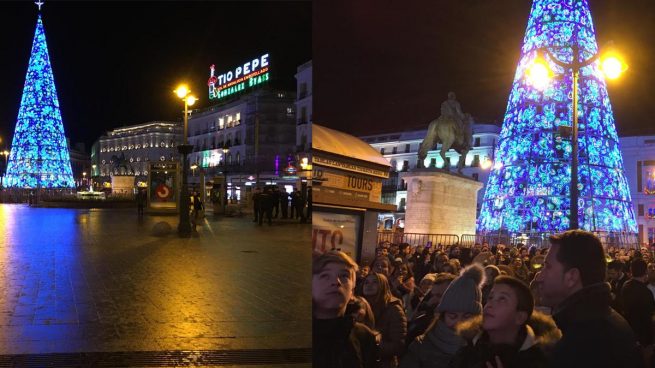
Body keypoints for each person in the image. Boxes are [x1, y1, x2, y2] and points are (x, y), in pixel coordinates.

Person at [535, 230, 643, 368]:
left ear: (571, 277)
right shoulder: (603, 321)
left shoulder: (582, 344)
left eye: (547, 267)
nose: (539, 277)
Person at [450, 276, 558, 368]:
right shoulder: (466, 349)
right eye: (490, 297)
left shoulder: (539, 360)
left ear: (519, 317)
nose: (490, 304)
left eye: (502, 299)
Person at [400, 265, 484, 368]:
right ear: (443, 315)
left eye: (467, 316)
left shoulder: (482, 350)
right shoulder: (421, 345)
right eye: (453, 316)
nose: (459, 322)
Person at [313, 251, 379, 368]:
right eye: (325, 276)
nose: (336, 282)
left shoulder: (364, 336)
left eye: (344, 276)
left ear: (353, 287)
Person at [362, 272, 407, 368]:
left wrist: (372, 346)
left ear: (383, 285)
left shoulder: (393, 309)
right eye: (366, 282)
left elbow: (398, 346)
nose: (369, 285)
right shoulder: (360, 307)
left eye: (375, 282)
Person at [620, 258, 655, 364]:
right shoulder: (646, 292)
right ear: (645, 272)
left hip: (629, 331)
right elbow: (649, 317)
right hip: (643, 336)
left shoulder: (626, 286)